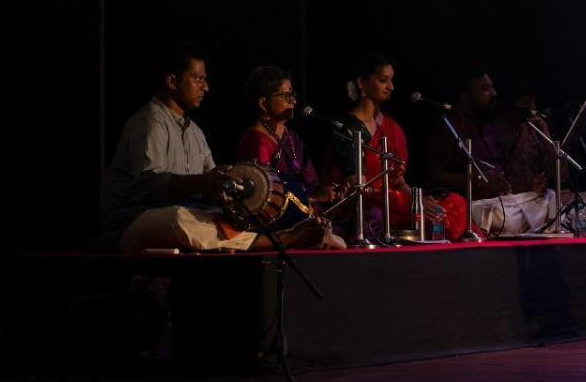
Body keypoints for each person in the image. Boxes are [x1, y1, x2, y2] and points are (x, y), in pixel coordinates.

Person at [100, 43, 334, 253]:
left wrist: (227, 186)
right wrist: (205, 182)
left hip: (189, 211)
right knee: (179, 218)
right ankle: (282, 240)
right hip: (135, 220)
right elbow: (150, 187)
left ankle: (286, 234)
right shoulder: (149, 122)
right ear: (172, 81)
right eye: (198, 79)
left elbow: (211, 185)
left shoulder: (195, 132)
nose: (206, 87)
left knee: (229, 217)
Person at [326, 54, 468, 241]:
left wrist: (418, 202)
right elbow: (356, 188)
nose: (391, 87)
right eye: (383, 80)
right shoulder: (348, 128)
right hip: (365, 211)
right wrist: (405, 202)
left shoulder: (393, 128)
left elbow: (399, 182)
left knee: (454, 204)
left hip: (395, 205)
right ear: (362, 83)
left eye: (391, 80)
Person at [424, 67, 561, 236]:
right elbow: (433, 176)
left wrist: (531, 184)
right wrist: (476, 179)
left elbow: (502, 176)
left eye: (492, 87)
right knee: (505, 219)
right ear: (465, 95)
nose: (494, 93)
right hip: (474, 205)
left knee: (553, 200)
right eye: (485, 89)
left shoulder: (490, 123)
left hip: (504, 202)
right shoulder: (450, 125)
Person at [235, 65, 346, 247]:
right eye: (286, 96)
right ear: (263, 103)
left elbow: (311, 184)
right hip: (277, 225)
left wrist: (329, 192)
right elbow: (264, 199)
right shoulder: (257, 140)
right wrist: (315, 198)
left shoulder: (291, 137)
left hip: (303, 213)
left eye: (292, 94)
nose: (293, 101)